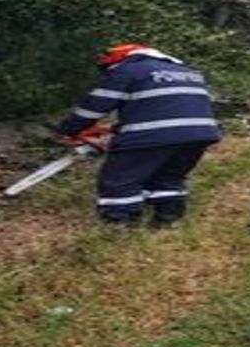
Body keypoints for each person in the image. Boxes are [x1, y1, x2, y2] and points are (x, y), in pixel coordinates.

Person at [55, 43, 221, 227]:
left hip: (155, 135)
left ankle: (120, 225)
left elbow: (93, 108)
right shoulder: (188, 72)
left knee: (119, 179)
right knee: (167, 176)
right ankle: (169, 219)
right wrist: (116, 130)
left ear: (116, 60)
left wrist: (67, 130)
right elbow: (165, 107)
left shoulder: (127, 70)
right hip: (200, 133)